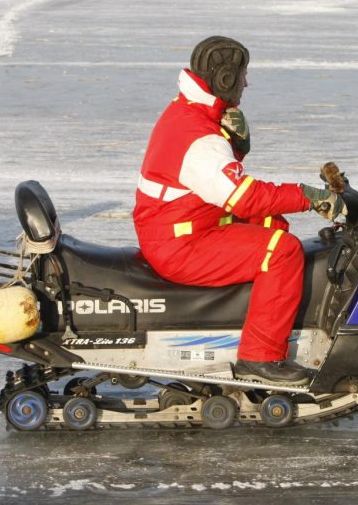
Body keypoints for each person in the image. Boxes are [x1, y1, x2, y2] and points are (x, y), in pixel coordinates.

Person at [133, 36, 344, 385]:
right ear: (225, 79)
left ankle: (251, 318)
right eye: (242, 75)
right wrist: (308, 197)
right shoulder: (200, 136)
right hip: (181, 244)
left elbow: (208, 180)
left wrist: (234, 146)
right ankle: (259, 357)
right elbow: (243, 197)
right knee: (281, 252)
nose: (246, 83)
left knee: (272, 223)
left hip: (181, 224)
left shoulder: (187, 112)